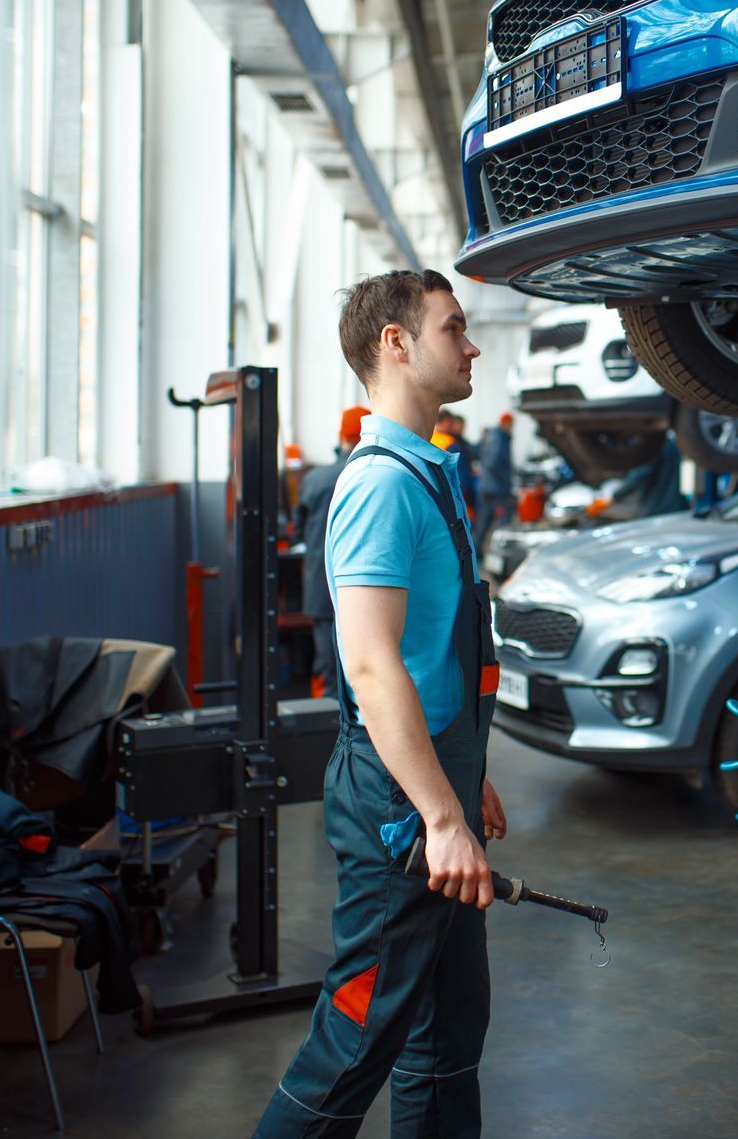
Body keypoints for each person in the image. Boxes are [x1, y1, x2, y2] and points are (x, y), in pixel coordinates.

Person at [253, 269, 504, 1139]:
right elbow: (370, 666)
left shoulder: (430, 472)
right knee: (357, 1035)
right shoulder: (380, 485)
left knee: (446, 1030)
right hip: (401, 812)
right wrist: (439, 814)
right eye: (454, 328)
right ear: (395, 344)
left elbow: (439, 651)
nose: (471, 346)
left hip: (437, 782)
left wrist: (469, 776)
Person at [295, 405, 368, 699]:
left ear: (342, 437)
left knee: (329, 666)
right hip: (368, 590)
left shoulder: (315, 479)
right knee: (364, 668)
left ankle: (326, 735)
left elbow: (298, 531)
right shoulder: (377, 476)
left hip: (322, 588)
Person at [474, 413, 514, 552]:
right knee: (505, 524)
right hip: (496, 490)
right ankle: (504, 556)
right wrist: (505, 483)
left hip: (488, 488)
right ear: (506, 423)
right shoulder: (498, 438)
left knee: (484, 523)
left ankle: (476, 554)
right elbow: (493, 463)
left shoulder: (493, 437)